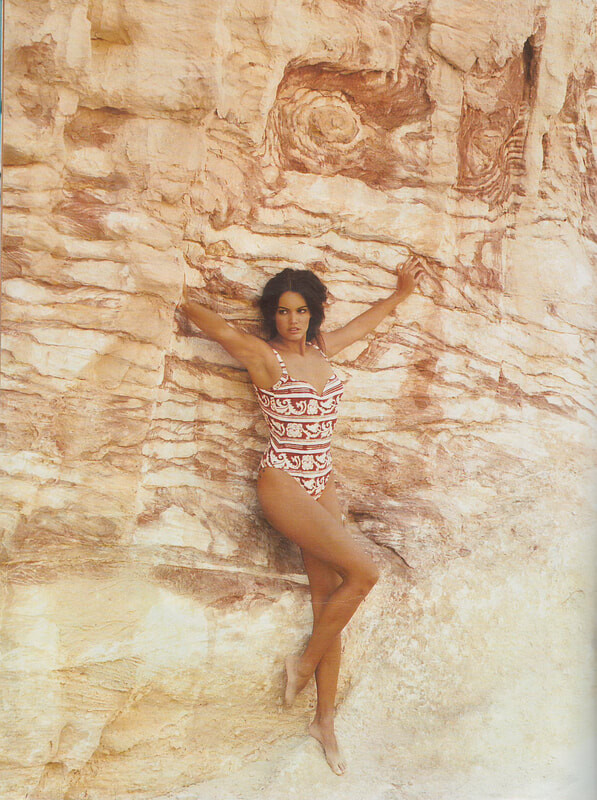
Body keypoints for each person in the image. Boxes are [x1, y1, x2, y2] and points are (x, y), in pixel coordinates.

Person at [179, 259, 424, 775]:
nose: (293, 320)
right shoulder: (263, 356)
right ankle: (304, 663)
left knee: (330, 600)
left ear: (313, 314)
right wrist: (171, 289)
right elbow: (215, 326)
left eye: (302, 311)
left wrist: (400, 294)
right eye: (284, 311)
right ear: (272, 314)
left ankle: (324, 722)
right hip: (284, 481)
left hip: (322, 481)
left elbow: (363, 325)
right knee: (365, 573)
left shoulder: (322, 350)